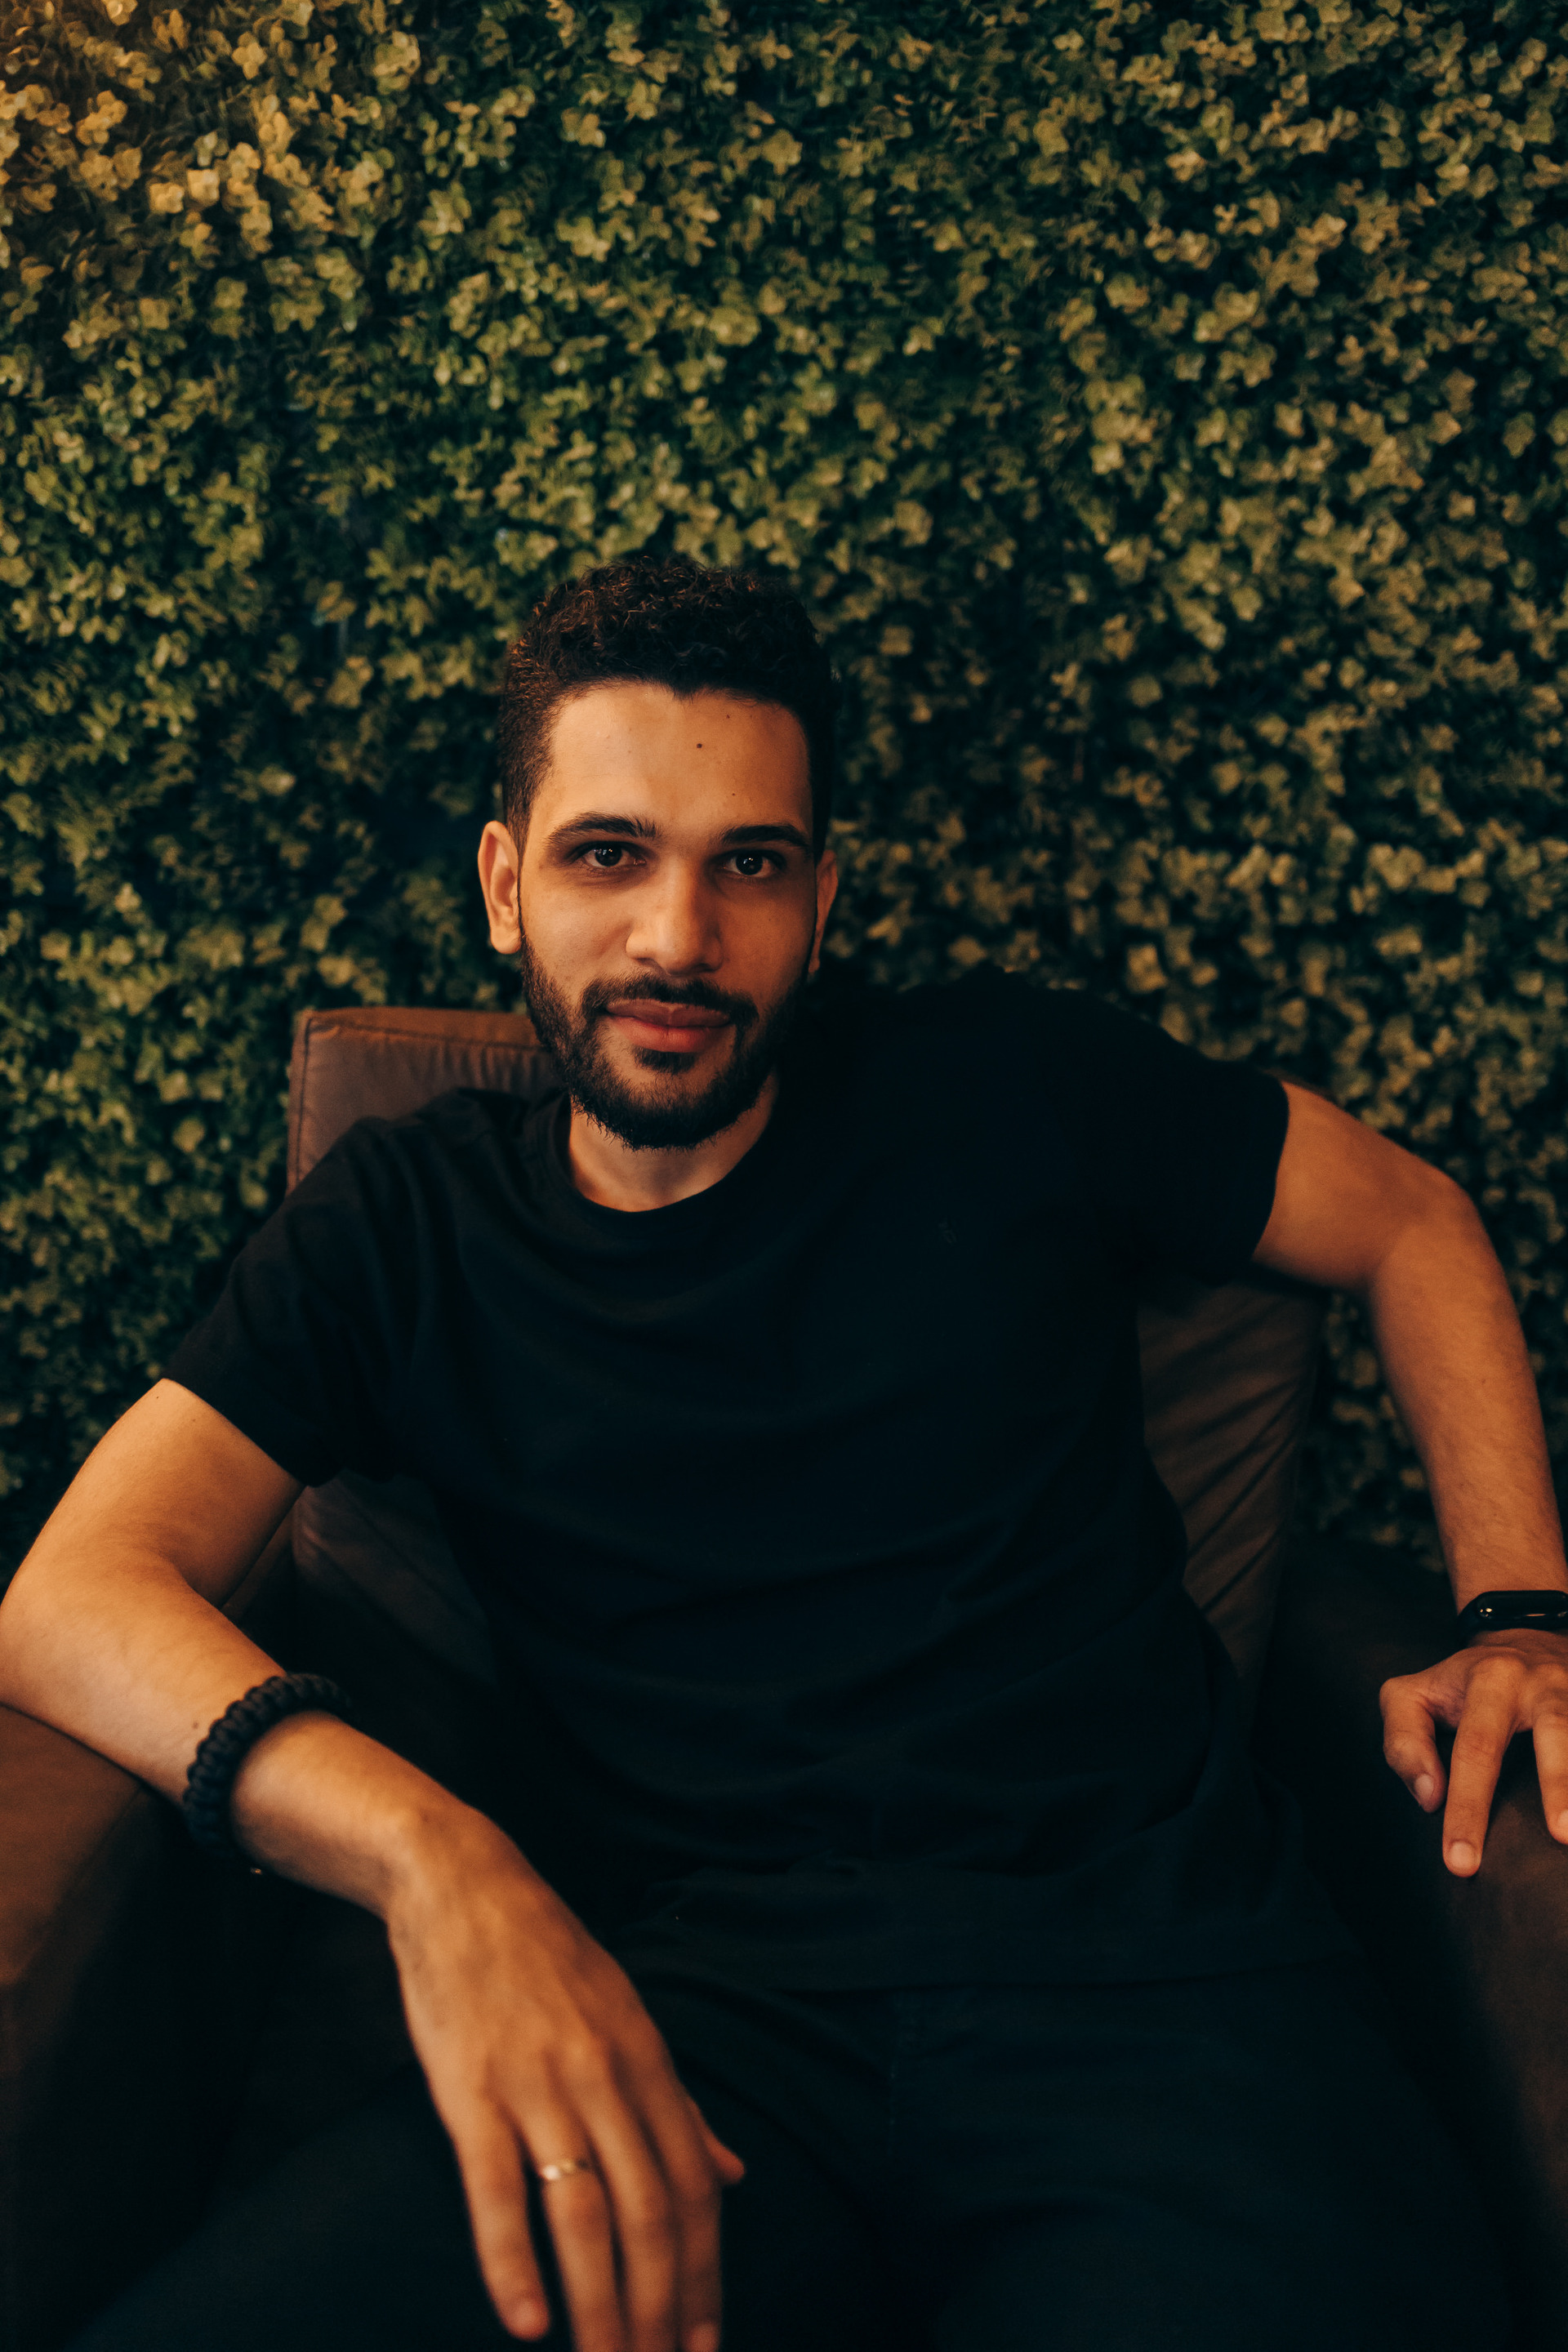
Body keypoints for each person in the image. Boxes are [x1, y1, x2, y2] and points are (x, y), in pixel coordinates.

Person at [2, 558, 1558, 2352]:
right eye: (608, 855)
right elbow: (72, 1595)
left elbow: (1410, 1221)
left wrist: (1520, 1611)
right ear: (504, 885)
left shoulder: (1007, 1081)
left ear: (821, 901)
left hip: (1163, 2004)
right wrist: (436, 1862)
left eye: (747, 863)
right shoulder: (407, 1230)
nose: (677, 936)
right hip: (691, 2040)